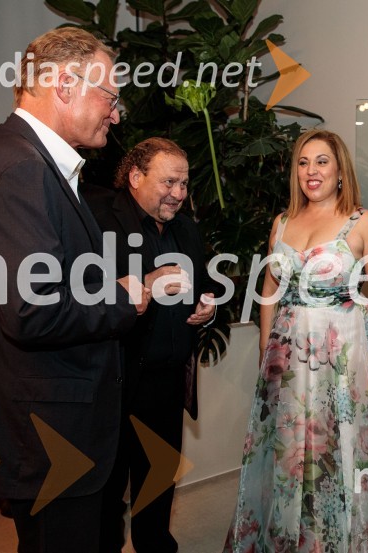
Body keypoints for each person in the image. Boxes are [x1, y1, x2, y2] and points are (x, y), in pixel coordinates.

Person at [0, 27, 149, 552]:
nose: (116, 114)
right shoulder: (21, 167)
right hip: (52, 428)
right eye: (110, 96)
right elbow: (33, 308)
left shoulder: (13, 155)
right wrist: (125, 297)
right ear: (64, 86)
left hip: (49, 417)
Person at [223, 129, 368, 552]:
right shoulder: (281, 223)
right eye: (304, 162)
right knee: (291, 450)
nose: (312, 171)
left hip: (345, 355)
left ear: (340, 169)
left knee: (341, 450)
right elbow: (270, 290)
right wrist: (267, 350)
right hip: (288, 358)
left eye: (322, 161)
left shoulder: (363, 222)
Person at [86, 137, 218, 552]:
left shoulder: (186, 227)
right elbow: (81, 295)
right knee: (107, 486)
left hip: (168, 379)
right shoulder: (97, 220)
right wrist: (143, 285)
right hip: (118, 379)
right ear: (136, 177)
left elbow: (207, 286)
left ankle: (155, 543)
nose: (178, 194)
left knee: (159, 475)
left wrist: (207, 308)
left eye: (184, 183)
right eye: (169, 183)